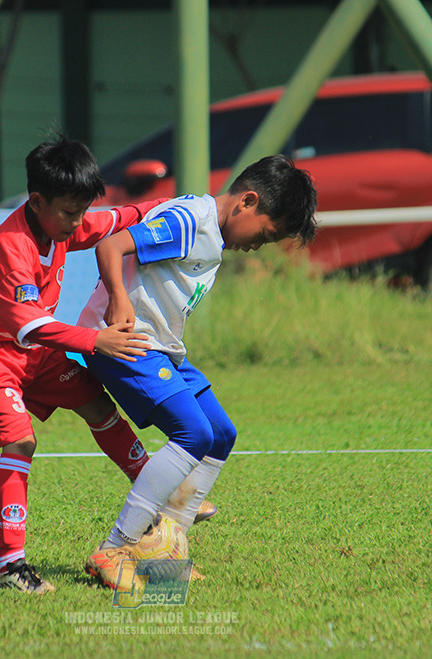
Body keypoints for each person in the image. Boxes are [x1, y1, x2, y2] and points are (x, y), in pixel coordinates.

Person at [77, 155, 318, 589]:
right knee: (195, 434)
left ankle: (167, 547)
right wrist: (119, 298)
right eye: (265, 234)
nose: (257, 246)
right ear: (247, 201)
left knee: (221, 432)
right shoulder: (191, 222)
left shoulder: (211, 230)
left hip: (162, 350)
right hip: (123, 343)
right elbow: (109, 246)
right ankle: (114, 548)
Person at [0, 138, 162, 594]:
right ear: (37, 201)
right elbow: (29, 324)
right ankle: (11, 565)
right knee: (20, 440)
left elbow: (111, 220)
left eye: (81, 210)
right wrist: (95, 341)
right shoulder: (11, 247)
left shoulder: (57, 224)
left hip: (29, 350)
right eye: (69, 212)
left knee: (96, 406)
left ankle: (159, 497)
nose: (77, 222)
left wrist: (172, 206)